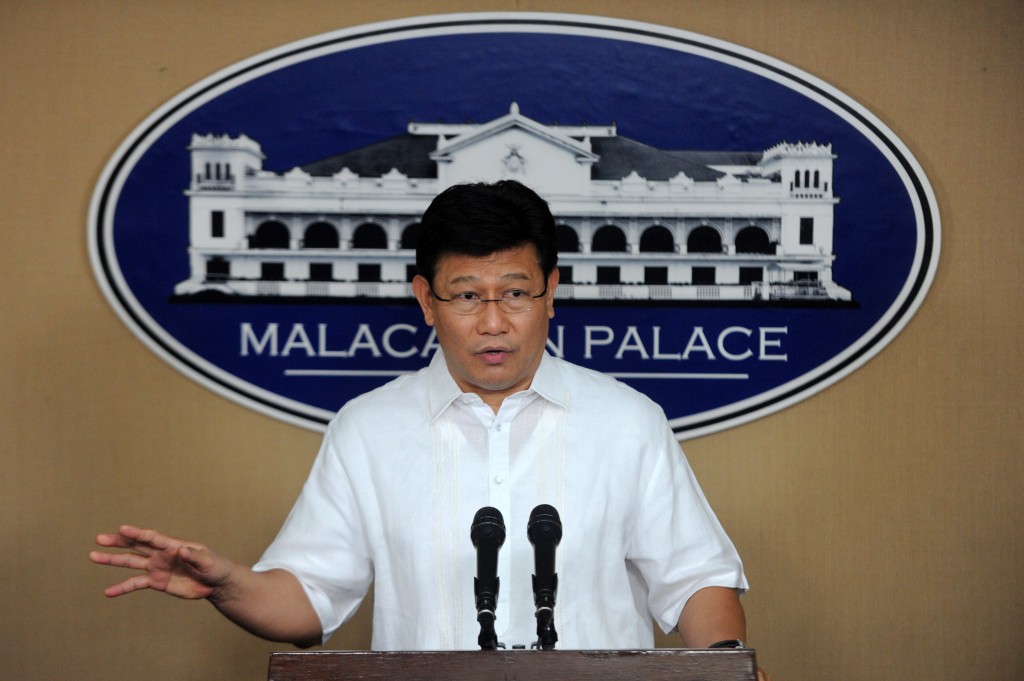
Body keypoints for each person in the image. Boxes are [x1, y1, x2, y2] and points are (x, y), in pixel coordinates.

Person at [92, 180, 763, 669]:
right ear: (425, 299)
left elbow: (696, 577)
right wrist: (229, 585)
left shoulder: (629, 422)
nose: (494, 321)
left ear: (552, 292)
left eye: (516, 293)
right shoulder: (368, 428)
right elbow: (308, 602)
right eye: (468, 295)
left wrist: (730, 664)